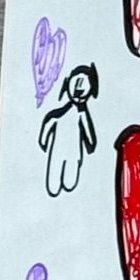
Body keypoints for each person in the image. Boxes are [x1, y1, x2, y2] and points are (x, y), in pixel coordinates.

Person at [39, 64, 98, 198]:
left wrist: (43, 141)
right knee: (54, 185)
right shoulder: (59, 115)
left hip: (73, 153)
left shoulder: (81, 115)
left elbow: (90, 140)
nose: (79, 91)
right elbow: (50, 123)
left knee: (70, 182)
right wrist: (43, 141)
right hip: (58, 151)